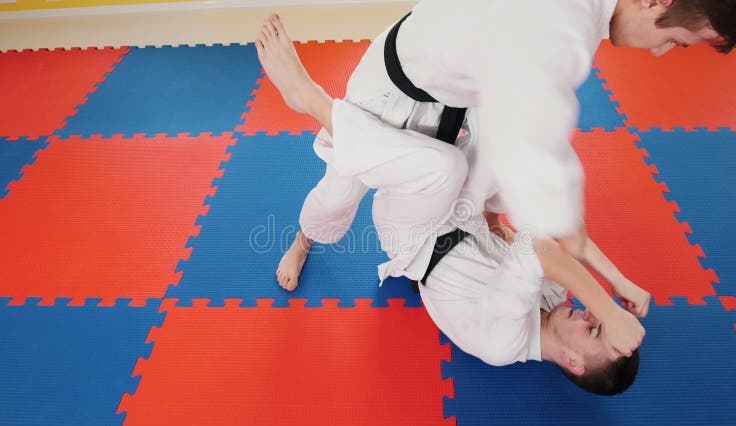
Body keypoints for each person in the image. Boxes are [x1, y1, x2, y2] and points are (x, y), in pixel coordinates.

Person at [255, 14, 650, 395]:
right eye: (599, 319)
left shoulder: (504, 341)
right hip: (463, 212)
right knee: (511, 141)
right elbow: (528, 235)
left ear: (574, 363)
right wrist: (615, 281)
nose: (591, 315)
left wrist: (609, 305)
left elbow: (538, 250)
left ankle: (313, 103)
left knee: (426, 171)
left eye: (593, 330)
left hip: (416, 236)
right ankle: (462, 77)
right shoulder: (555, 299)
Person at [268, 0, 736, 293]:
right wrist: (579, 252)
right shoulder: (565, 32)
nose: (660, 52)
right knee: (341, 191)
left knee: (482, 161)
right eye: (677, 41)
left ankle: (483, 219)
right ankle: (308, 144)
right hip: (388, 91)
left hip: (457, 88)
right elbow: (536, 141)